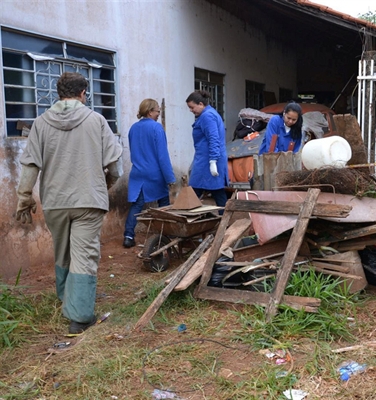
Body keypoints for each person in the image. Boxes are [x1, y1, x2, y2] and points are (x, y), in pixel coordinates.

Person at [15, 72, 122, 334]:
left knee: (63, 252)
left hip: (55, 201)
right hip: (88, 199)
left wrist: (24, 198)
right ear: (83, 93)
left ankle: (67, 298)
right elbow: (115, 167)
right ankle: (81, 315)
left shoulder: (41, 123)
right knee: (84, 255)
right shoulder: (96, 120)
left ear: (59, 93)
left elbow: (31, 165)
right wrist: (104, 185)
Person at [123, 99, 176, 248]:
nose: (159, 114)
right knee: (164, 204)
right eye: (157, 111)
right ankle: (163, 235)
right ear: (150, 112)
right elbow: (162, 156)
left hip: (137, 173)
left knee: (137, 205)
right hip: (155, 174)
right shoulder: (157, 128)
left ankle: (128, 236)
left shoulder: (133, 128)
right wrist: (170, 177)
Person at [185, 90, 229, 209]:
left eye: (192, 107)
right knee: (216, 190)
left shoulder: (207, 116)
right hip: (207, 158)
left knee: (196, 191)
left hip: (207, 160)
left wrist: (213, 161)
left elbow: (213, 139)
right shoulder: (210, 113)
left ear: (200, 104)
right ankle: (223, 220)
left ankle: (188, 218)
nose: (191, 110)